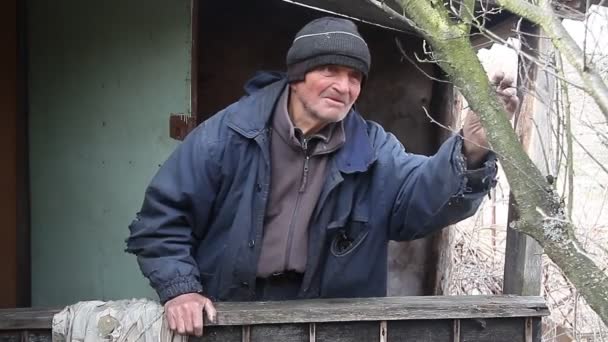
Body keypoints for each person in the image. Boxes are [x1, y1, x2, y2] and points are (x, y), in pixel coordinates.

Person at [126, 16, 519, 337]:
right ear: (297, 75)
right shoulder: (228, 135)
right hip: (230, 316)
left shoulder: (373, 148)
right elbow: (160, 223)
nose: (343, 86)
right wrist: (181, 290)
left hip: (331, 325)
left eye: (354, 76)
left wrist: (470, 148)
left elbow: (418, 202)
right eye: (329, 70)